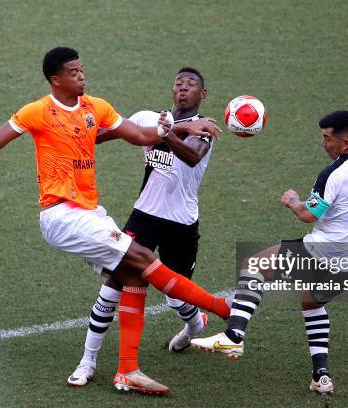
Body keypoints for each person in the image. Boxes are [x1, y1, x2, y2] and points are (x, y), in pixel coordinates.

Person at [0, 47, 230, 395]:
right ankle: (225, 311)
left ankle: (125, 370)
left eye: (82, 69)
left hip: (91, 214)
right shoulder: (37, 112)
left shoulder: (98, 107)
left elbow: (142, 136)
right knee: (145, 259)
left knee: (130, 273)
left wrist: (184, 125)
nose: (82, 75)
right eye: (74, 71)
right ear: (56, 79)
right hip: (61, 216)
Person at [191, 110, 348, 395]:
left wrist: (292, 200)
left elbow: (308, 214)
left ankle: (234, 334)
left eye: (327, 138)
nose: (323, 143)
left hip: (322, 254)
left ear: (344, 143)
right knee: (311, 303)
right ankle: (321, 376)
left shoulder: (335, 173)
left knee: (254, 264)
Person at [67, 67, 214, 387]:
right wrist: (77, 141)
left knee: (175, 295)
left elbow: (191, 157)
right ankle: (87, 360)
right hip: (143, 218)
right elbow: (106, 135)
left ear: (202, 95)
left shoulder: (205, 129)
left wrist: (168, 131)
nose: (184, 88)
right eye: (179, 84)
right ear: (172, 91)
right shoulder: (150, 117)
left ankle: (194, 327)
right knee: (114, 284)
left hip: (181, 224)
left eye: (191, 85)